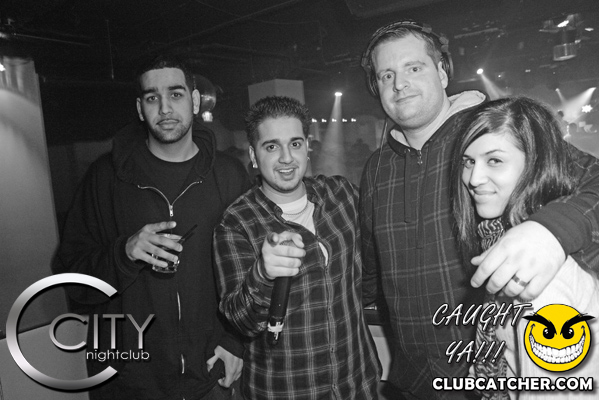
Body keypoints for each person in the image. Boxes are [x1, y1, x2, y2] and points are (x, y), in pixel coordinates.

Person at [359, 20, 599, 399]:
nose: (399, 83)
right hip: (412, 383)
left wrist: (552, 231)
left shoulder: (492, 132)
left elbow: (595, 180)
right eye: (386, 75)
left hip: (486, 380)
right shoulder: (377, 167)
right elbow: (371, 268)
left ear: (442, 72)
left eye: (413, 67)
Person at [52, 54, 250, 400]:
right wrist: (124, 253)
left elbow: (251, 272)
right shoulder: (104, 178)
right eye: (152, 97)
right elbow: (72, 281)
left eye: (175, 94)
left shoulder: (229, 175)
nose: (165, 108)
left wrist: (235, 341)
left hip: (209, 377)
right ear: (140, 109)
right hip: (128, 383)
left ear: (194, 101)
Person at [213, 96, 381, 400]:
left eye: (295, 144)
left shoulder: (341, 195)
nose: (286, 158)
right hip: (286, 390)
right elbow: (240, 321)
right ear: (253, 156)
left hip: (358, 384)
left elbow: (379, 254)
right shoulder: (237, 222)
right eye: (271, 147)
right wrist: (262, 274)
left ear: (307, 146)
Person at [452, 96, 599, 398]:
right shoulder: (504, 240)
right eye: (469, 162)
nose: (473, 179)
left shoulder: (538, 270)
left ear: (535, 165)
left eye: (495, 160)